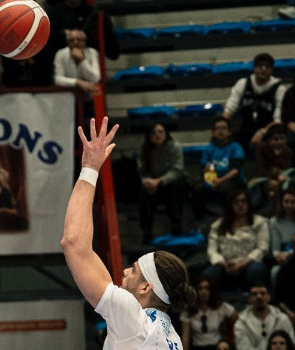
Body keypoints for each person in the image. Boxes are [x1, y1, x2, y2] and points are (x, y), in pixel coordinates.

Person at [61, 116, 196, 349]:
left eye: (134, 270)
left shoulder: (132, 318)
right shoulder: (172, 338)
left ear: (146, 287)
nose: (124, 271)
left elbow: (73, 243)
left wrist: (90, 169)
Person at [203, 189, 269, 289]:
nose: (240, 205)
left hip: (249, 264)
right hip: (225, 266)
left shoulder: (259, 222)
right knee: (209, 274)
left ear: (248, 204)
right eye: (236, 202)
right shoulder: (218, 225)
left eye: (243, 201)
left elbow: (262, 248)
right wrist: (224, 264)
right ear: (231, 205)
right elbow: (211, 251)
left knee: (257, 269)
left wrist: (242, 264)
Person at [223, 53, 286, 152]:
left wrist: (262, 132)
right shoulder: (243, 83)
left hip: (268, 132)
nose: (263, 69)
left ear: (271, 70)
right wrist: (222, 128)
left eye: (267, 66)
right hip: (245, 130)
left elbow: (277, 121)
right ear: (254, 68)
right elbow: (229, 109)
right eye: (260, 66)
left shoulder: (279, 89)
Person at [138, 123, 186, 242]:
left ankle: (176, 225)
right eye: (154, 133)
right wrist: (147, 182)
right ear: (149, 136)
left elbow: (178, 170)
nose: (157, 135)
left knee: (174, 188)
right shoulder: (144, 149)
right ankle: (147, 231)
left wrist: (159, 181)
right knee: (145, 194)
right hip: (153, 186)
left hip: (173, 182)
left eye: (160, 132)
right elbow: (142, 170)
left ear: (166, 133)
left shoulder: (175, 146)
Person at [192, 117, 246, 219]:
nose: (220, 131)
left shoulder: (235, 147)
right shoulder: (209, 149)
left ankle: (229, 220)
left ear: (229, 132)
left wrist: (220, 181)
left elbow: (235, 171)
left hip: (232, 180)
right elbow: (207, 169)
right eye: (217, 128)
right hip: (214, 180)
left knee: (225, 188)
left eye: (224, 128)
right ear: (212, 132)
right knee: (198, 189)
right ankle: (200, 221)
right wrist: (212, 181)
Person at [233, 282, 295, 350]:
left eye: (263, 293)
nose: (259, 297)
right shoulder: (241, 323)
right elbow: (243, 348)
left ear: (269, 297)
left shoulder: (282, 319)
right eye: (254, 294)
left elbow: (291, 345)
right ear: (249, 299)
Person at [180, 277, 238, 350]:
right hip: (197, 347)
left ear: (211, 291)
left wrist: (229, 338)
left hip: (217, 346)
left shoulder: (221, 307)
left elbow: (239, 321)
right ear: (195, 291)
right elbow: (185, 338)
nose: (203, 291)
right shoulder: (188, 310)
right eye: (200, 288)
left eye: (207, 288)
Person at [249, 124, 295, 211]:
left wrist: (278, 156)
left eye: (282, 138)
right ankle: (274, 215)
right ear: (269, 140)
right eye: (275, 139)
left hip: (282, 180)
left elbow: (286, 170)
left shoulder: (288, 151)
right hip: (262, 179)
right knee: (273, 186)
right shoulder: (261, 148)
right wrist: (276, 175)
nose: (279, 142)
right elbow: (261, 170)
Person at [53, 29, 101, 101]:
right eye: (72, 40)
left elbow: (95, 78)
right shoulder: (60, 54)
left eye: (79, 40)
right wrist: (77, 82)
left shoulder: (92, 53)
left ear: (84, 41)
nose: (75, 43)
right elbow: (58, 79)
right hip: (69, 101)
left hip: (90, 100)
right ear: (68, 43)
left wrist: (82, 61)